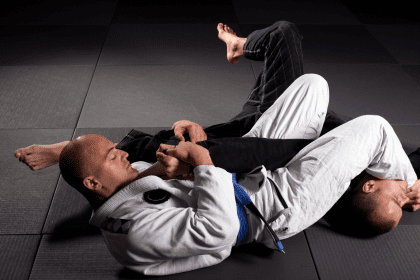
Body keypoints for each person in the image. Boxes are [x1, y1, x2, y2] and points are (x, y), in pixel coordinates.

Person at [14, 21, 420, 276]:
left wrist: (195, 143)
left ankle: (372, 173)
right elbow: (220, 231)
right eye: (111, 157)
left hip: (249, 173)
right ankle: (413, 185)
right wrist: (204, 162)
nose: (120, 155)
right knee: (375, 129)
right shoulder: (133, 234)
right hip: (273, 207)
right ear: (93, 181)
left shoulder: (129, 178)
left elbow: (177, 170)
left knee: (312, 84)